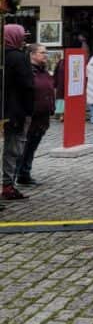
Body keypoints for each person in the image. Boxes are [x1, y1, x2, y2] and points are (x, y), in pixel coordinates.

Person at [1, 23, 34, 201]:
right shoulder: (18, 57)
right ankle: (7, 185)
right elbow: (27, 86)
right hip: (16, 111)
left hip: (5, 108)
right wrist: (29, 110)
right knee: (13, 149)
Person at [16, 43, 55, 187]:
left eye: (46, 52)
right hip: (30, 116)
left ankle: (25, 173)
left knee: (32, 147)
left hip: (42, 117)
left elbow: (49, 90)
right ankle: (19, 175)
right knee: (24, 148)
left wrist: (51, 107)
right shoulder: (27, 72)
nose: (45, 55)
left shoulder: (43, 71)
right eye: (42, 52)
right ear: (32, 55)